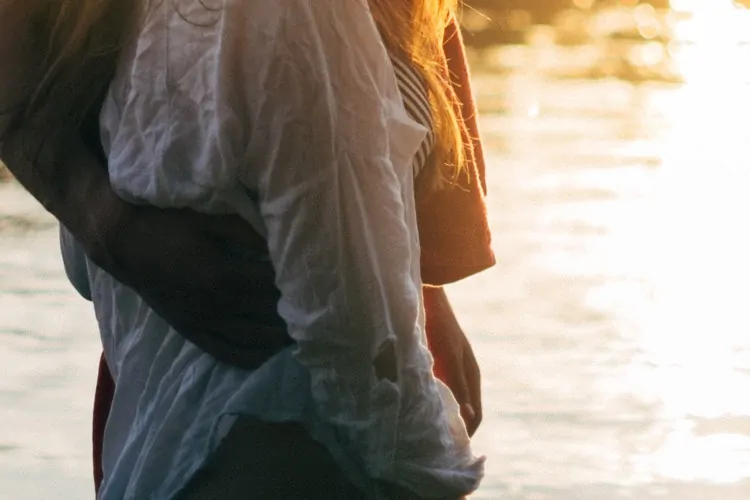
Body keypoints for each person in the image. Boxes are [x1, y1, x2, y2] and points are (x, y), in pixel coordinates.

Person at [1, 1, 495, 498]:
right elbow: (351, 341)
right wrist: (435, 472)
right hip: (281, 438)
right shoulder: (292, 19)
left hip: (171, 439)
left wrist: (412, 281)